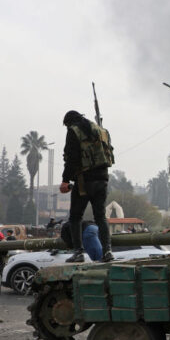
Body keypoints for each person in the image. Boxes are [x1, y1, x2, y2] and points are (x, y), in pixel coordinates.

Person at [60, 110, 114, 264]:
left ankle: (78, 252)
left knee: (75, 217)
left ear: (69, 122)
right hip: (102, 179)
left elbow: (72, 158)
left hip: (84, 180)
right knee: (100, 217)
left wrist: (65, 180)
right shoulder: (101, 130)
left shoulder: (74, 131)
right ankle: (108, 251)